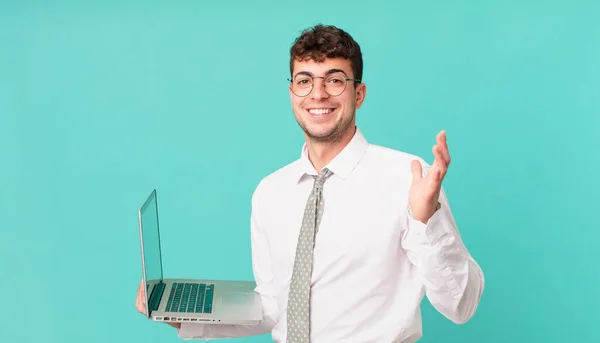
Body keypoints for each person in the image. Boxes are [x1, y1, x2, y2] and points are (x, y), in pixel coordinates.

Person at [136, 24, 484, 342]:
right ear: (292, 93)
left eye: (334, 80)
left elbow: (461, 305)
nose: (318, 94)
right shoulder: (270, 192)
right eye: (305, 80)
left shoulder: (408, 178)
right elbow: (273, 308)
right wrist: (185, 315)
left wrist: (427, 221)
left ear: (358, 93)